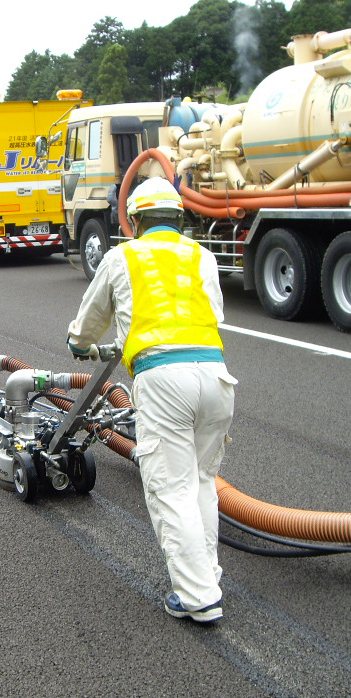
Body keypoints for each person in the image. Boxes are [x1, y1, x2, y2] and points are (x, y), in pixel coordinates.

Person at [66, 177, 236, 624]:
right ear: (179, 218)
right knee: (200, 483)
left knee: (170, 487)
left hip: (163, 379)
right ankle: (207, 574)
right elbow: (212, 313)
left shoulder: (123, 256)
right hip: (217, 376)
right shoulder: (202, 256)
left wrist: (80, 345)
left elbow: (86, 328)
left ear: (135, 221)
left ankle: (198, 597)